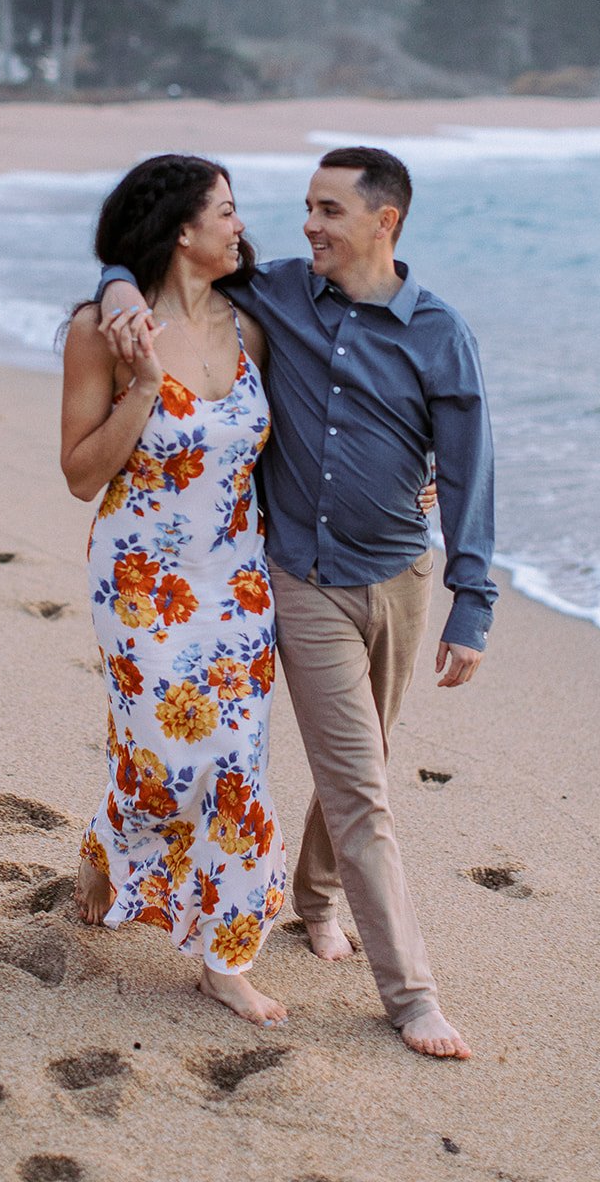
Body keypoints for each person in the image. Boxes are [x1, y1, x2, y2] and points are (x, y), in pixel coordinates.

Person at [98, 145, 497, 1060]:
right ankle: (412, 997)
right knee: (360, 786)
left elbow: (471, 476)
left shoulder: (439, 332)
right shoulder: (273, 293)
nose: (307, 225)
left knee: (367, 765)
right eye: (305, 207)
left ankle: (315, 899)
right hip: (298, 578)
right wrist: (119, 284)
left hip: (398, 579)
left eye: (328, 211)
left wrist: (470, 601)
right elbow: (157, 253)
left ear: (382, 222)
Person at [60, 153, 290, 1027]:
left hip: (235, 581)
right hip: (140, 583)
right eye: (225, 211)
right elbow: (81, 475)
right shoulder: (103, 332)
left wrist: (415, 473)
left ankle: (223, 956)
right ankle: (109, 842)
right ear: (181, 229)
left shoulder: (253, 323)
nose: (241, 225)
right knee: (164, 759)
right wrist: (145, 390)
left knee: (234, 763)